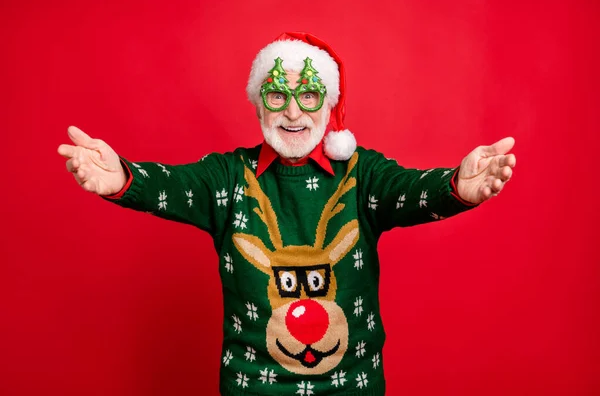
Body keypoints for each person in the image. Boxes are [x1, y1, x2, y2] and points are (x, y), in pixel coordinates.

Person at [57, 32, 516, 396]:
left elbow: (410, 191)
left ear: (329, 105)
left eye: (310, 96)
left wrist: (455, 185)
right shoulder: (227, 177)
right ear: (259, 103)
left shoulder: (363, 175)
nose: (293, 111)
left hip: (352, 388)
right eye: (277, 96)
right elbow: (172, 186)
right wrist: (122, 177)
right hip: (252, 389)